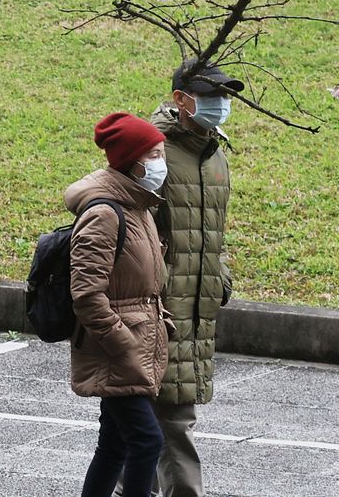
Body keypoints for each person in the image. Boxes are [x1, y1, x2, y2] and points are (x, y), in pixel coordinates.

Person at [119, 58, 239, 497]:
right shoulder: (155, 154)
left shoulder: (213, 155)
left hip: (197, 306)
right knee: (172, 418)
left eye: (224, 96)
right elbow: (130, 229)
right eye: (210, 97)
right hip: (161, 306)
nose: (221, 104)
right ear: (180, 99)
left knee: (157, 418)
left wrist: (218, 275)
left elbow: (211, 232)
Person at [68, 112, 173, 497]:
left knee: (113, 445)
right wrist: (122, 343)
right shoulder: (104, 214)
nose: (162, 163)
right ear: (135, 160)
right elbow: (86, 294)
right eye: (157, 154)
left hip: (138, 343)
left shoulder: (138, 207)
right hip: (120, 347)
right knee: (147, 441)